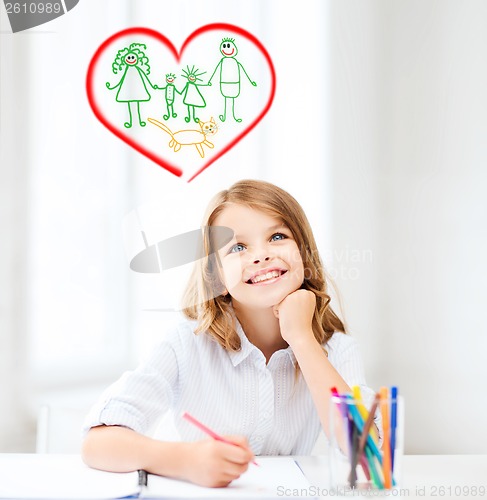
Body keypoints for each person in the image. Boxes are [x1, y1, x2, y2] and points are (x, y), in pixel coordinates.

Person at [82, 179, 379, 488]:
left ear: (304, 255)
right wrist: (186, 461)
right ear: (217, 276)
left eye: (277, 236)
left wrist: (302, 340)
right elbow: (97, 444)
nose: (261, 255)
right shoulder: (186, 343)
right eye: (238, 247)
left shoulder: (336, 349)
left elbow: (367, 451)